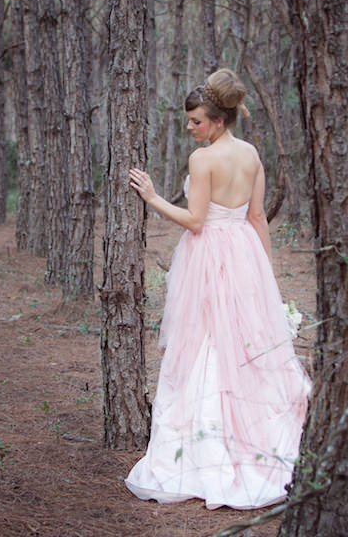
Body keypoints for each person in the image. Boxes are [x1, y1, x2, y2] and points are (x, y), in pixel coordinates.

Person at [125, 69, 312, 510]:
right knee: (241, 341)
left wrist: (151, 196)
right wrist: (265, 277)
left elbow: (195, 220)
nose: (190, 128)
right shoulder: (251, 155)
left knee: (207, 341)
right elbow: (257, 218)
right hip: (245, 253)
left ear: (219, 120)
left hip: (210, 253)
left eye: (196, 122)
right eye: (190, 121)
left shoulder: (203, 160)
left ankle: (208, 449)